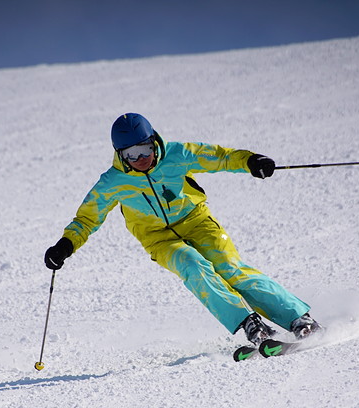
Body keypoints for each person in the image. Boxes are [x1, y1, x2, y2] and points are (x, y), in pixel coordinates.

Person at [44, 113, 321, 354]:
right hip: (159, 239)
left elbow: (220, 157)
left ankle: (299, 320)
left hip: (197, 221)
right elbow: (87, 218)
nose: (140, 159)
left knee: (230, 268)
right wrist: (66, 245)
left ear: (154, 141)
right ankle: (251, 325)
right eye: (130, 154)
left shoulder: (177, 154)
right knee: (192, 266)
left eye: (144, 149)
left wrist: (250, 161)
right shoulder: (112, 182)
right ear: (119, 154)